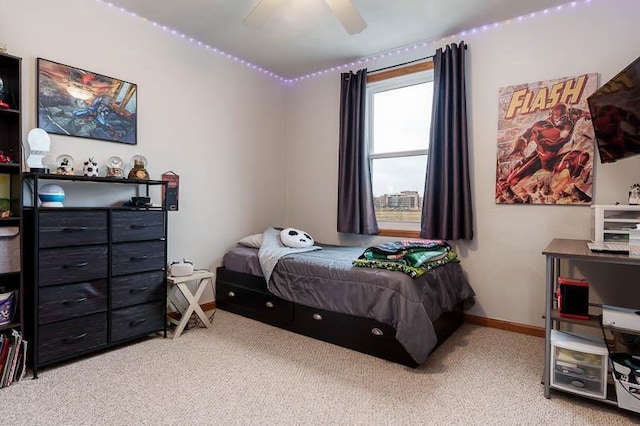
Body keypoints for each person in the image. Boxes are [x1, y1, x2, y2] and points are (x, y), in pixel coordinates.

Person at [496, 102, 591, 201]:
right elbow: (525, 136)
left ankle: (567, 188)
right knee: (512, 179)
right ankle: (504, 193)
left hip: (555, 159)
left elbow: (580, 112)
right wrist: (518, 149)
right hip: (539, 157)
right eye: (556, 118)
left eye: (561, 118)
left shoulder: (572, 116)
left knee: (582, 157)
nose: (559, 121)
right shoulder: (541, 127)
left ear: (566, 114)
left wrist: (587, 114)